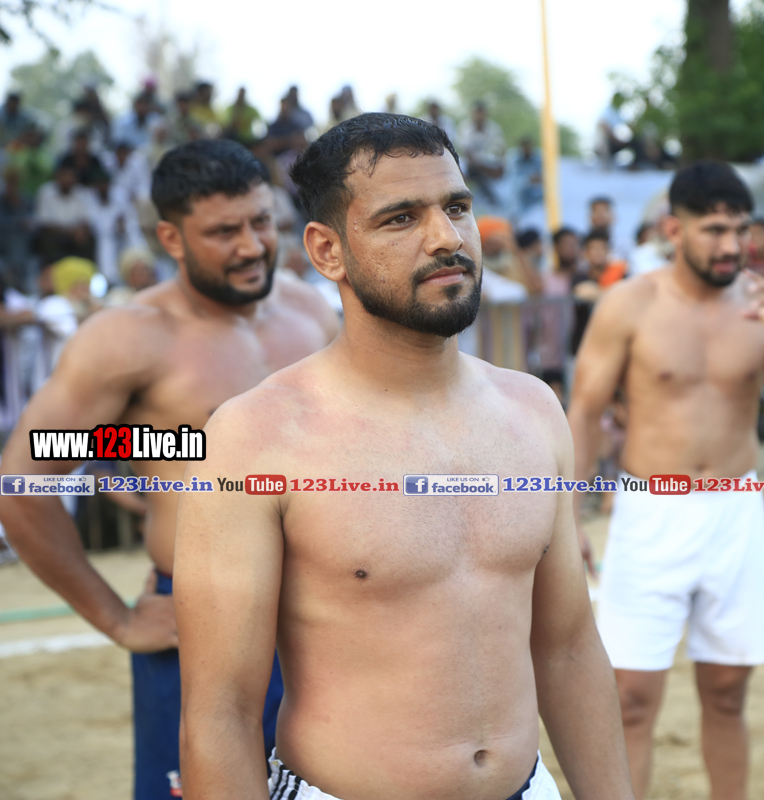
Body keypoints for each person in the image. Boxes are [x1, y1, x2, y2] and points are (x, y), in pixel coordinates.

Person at [175, 112, 633, 800]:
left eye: (457, 207)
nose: (447, 238)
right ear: (327, 251)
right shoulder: (255, 439)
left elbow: (567, 647)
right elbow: (221, 715)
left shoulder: (534, 411)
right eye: (401, 218)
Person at [0, 138, 339, 800]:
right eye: (223, 232)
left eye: (261, 222)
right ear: (170, 238)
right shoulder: (128, 337)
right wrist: (116, 618)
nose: (251, 246)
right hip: (202, 617)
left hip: (329, 611)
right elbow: (21, 485)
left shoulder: (310, 312)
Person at [568, 160, 764, 800]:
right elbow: (585, 411)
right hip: (650, 510)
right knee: (630, 696)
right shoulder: (629, 304)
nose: (732, 245)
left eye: (739, 230)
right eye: (715, 231)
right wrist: (568, 517)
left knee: (728, 692)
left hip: (735, 509)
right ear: (675, 230)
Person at [459, 100, 506, 205]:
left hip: (489, 162)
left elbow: (500, 149)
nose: (479, 117)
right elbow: (466, 152)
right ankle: (490, 198)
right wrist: (481, 166)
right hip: (472, 164)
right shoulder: (465, 127)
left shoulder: (493, 128)